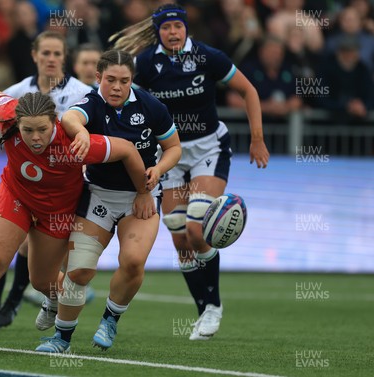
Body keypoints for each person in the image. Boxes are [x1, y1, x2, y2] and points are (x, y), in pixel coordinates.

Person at [0, 47, 154, 353]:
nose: (36, 138)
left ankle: (53, 298)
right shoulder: (6, 112)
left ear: (54, 123)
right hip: (15, 197)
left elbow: (125, 149)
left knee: (42, 280)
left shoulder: (75, 142)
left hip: (57, 213)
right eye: (28, 131)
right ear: (15, 123)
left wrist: (144, 191)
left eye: (42, 129)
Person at [111, 3, 269, 341]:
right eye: (166, 28)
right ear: (158, 31)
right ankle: (204, 311)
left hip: (208, 149)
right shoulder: (145, 64)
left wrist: (257, 139)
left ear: (185, 28)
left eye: (177, 26)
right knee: (179, 235)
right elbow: (122, 99)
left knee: (197, 229)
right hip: (170, 154)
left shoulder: (208, 56)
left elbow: (248, 91)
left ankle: (214, 306)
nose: (172, 32)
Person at [36, 49, 182, 353]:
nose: (117, 87)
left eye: (124, 81)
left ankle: (110, 319)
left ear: (132, 81)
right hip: (98, 195)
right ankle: (61, 339)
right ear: (98, 78)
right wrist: (83, 134)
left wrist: (159, 169)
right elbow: (71, 118)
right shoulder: (92, 102)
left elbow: (174, 148)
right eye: (110, 80)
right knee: (79, 270)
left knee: (132, 262)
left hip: (141, 197)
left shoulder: (151, 107)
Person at [0, 30, 94, 331]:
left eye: (57, 54)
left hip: (66, 186)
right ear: (34, 56)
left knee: (34, 253)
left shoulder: (82, 92)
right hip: (24, 181)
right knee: (1, 249)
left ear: (65, 57)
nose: (51, 59)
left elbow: (95, 133)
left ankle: (22, 304)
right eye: (46, 53)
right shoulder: (19, 91)